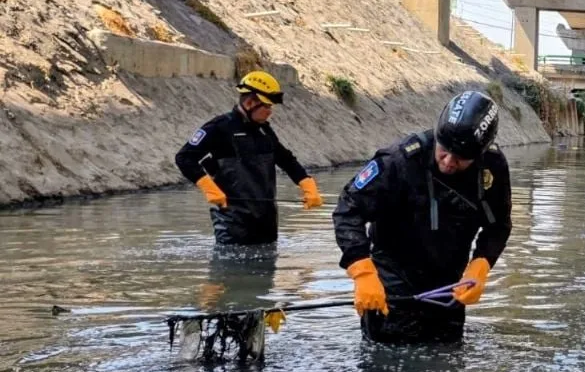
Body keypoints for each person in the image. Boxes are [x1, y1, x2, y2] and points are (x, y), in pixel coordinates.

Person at [332, 90, 513, 344]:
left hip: (448, 288)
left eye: (461, 159)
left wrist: (480, 266)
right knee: (385, 366)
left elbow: (499, 226)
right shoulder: (400, 160)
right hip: (392, 283)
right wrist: (362, 272)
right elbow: (348, 209)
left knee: (446, 365)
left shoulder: (492, 168)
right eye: (444, 151)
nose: (449, 162)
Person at [175, 71, 323, 246]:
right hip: (233, 220)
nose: (270, 112)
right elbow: (184, 158)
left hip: (266, 219)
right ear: (250, 102)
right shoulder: (219, 128)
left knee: (266, 269)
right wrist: (210, 188)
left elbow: (286, 160)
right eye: (266, 106)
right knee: (232, 270)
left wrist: (307, 184)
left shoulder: (264, 131)